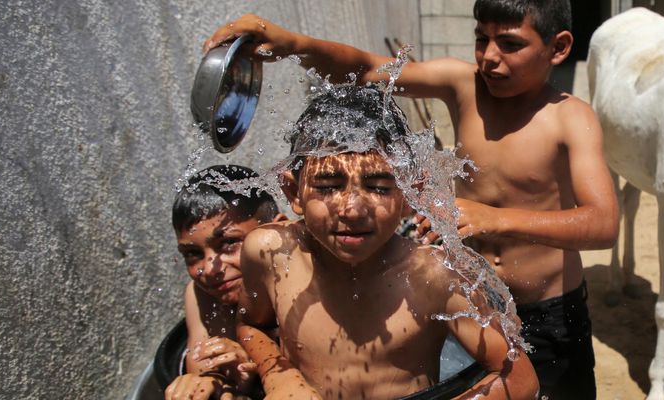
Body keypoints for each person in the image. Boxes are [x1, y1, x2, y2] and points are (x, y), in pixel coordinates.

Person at [206, 1, 618, 397]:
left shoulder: (569, 117)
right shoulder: (465, 86)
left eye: (510, 44)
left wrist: (495, 219)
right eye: (481, 39)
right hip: (466, 303)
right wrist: (294, 44)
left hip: (546, 309)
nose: (490, 57)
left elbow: (603, 225)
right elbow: (366, 69)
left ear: (559, 47)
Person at [235, 86, 538, 399]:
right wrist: (278, 375)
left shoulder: (434, 276)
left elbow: (519, 379)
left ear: (409, 195)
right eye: (327, 186)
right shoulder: (271, 253)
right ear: (293, 192)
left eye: (378, 187)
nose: (352, 209)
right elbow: (250, 325)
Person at [166, 164, 283, 400]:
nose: (210, 269)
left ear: (277, 231)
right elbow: (201, 368)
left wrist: (256, 365)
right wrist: (227, 380)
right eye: (193, 254)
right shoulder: (201, 295)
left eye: (229, 243)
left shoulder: (304, 282)